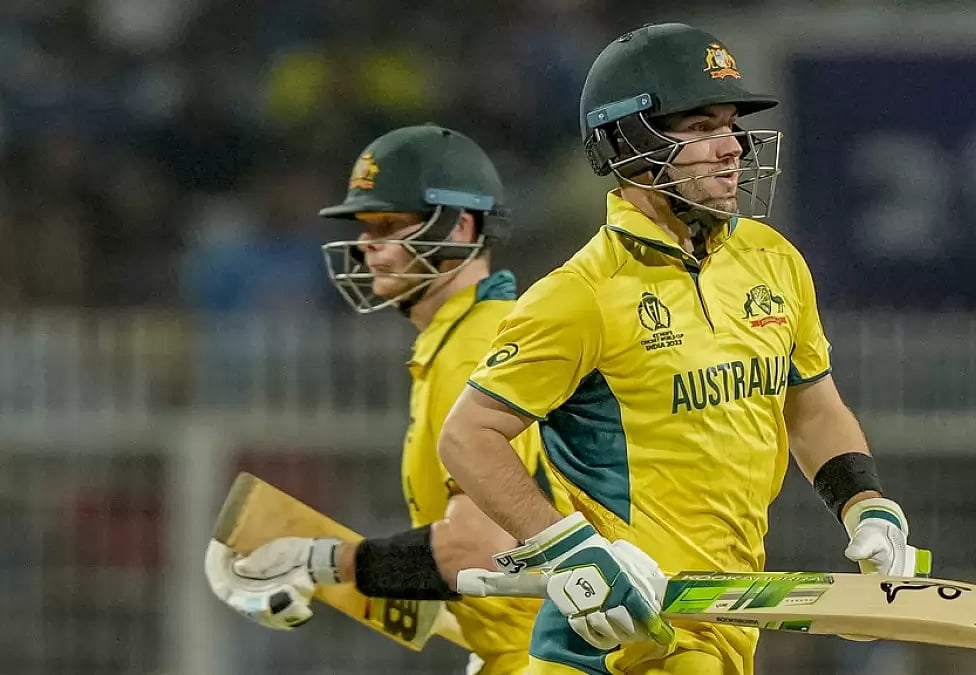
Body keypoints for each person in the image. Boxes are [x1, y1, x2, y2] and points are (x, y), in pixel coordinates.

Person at [437, 23, 930, 674]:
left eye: (730, 124)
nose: (731, 148)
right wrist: (571, 550)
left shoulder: (773, 260)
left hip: (720, 625)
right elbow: (468, 436)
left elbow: (809, 404)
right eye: (700, 127)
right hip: (616, 638)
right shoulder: (582, 294)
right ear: (627, 140)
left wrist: (866, 506)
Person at [204, 123, 568, 675]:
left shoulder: (475, 346)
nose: (367, 244)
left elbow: (479, 550)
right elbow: (500, 571)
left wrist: (322, 560)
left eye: (390, 224)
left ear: (461, 226)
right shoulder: (461, 339)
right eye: (366, 225)